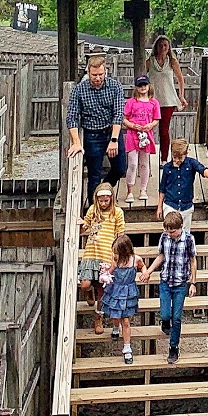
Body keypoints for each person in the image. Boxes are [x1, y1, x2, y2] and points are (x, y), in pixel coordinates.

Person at [66, 53, 126, 203]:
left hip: (112, 131)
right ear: (88, 72)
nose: (98, 78)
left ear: (105, 72)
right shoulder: (79, 90)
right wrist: (76, 142)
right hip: (92, 135)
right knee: (94, 174)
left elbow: (118, 113)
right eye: (94, 75)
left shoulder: (115, 86)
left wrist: (114, 139)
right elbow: (72, 117)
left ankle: (104, 189)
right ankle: (93, 209)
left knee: (120, 168)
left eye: (100, 74)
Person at [75, 183, 126, 335]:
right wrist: (82, 224)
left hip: (106, 255)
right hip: (92, 252)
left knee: (101, 291)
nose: (103, 204)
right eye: (101, 201)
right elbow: (85, 227)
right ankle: (87, 292)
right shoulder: (92, 210)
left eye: (106, 201)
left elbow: (120, 234)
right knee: (85, 284)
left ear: (111, 199)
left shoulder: (117, 212)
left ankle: (98, 319)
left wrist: (116, 256)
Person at [144, 209, 195, 364]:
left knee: (177, 317)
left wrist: (193, 282)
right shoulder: (164, 237)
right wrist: (149, 271)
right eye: (167, 231)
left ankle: (173, 347)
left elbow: (193, 261)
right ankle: (165, 322)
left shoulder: (188, 239)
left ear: (180, 228)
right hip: (165, 281)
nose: (169, 234)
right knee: (165, 314)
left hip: (180, 283)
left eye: (172, 231)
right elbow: (161, 256)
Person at [100, 233, 145, 364]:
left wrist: (145, 273)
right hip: (116, 290)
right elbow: (110, 271)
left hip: (128, 291)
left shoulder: (135, 259)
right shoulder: (115, 260)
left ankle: (127, 348)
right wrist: (105, 274)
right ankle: (115, 327)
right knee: (115, 315)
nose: (115, 254)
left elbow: (142, 266)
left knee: (125, 320)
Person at [156, 136, 208, 224]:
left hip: (186, 206)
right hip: (170, 204)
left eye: (180, 158)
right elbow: (162, 188)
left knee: (185, 233)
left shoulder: (191, 163)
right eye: (175, 157)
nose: (177, 160)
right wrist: (159, 207)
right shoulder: (167, 167)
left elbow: (203, 169)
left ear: (186, 153)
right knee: (171, 229)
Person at [121, 75, 160, 205]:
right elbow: (124, 119)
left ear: (149, 86)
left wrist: (150, 125)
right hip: (133, 135)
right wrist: (132, 125)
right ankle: (130, 191)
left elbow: (156, 119)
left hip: (146, 135)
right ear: (136, 88)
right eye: (140, 85)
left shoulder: (154, 102)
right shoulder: (131, 102)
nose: (143, 87)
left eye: (145, 85)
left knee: (144, 163)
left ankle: (143, 190)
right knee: (132, 164)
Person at [145, 33, 187, 145]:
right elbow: (142, 78)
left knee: (164, 131)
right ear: (156, 47)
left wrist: (181, 96)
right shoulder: (150, 61)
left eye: (165, 45)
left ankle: (164, 159)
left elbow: (180, 79)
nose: (163, 48)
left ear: (168, 48)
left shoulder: (172, 61)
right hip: (152, 100)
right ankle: (147, 156)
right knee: (148, 129)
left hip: (168, 100)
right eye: (160, 45)